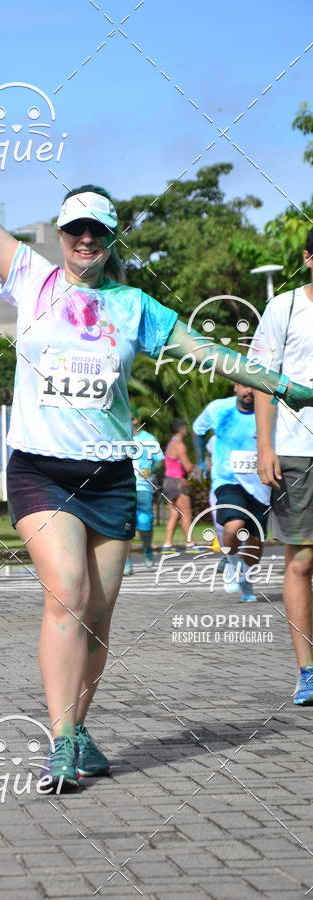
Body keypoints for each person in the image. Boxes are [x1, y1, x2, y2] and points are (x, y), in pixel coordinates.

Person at [0, 101, 313, 789]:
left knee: (98, 619)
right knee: (68, 593)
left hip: (111, 476)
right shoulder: (31, 277)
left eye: (96, 231)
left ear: (111, 239)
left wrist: (282, 384)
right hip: (40, 472)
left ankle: (79, 724)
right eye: (75, 229)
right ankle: (58, 742)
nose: (85, 240)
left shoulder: (135, 308)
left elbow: (206, 351)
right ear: (61, 235)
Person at [249, 229, 313, 704]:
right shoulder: (285, 308)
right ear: (309, 258)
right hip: (295, 449)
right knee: (303, 559)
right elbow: (263, 382)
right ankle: (307, 670)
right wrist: (265, 446)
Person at [192, 385, 270, 602]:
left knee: (255, 538)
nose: (249, 391)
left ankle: (247, 580)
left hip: (260, 483)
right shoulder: (218, 409)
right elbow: (198, 430)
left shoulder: (270, 411)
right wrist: (200, 461)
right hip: (227, 480)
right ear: (236, 386)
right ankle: (232, 563)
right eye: (245, 385)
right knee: (234, 525)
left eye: (255, 388)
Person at [124, 407, 164, 575]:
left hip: (143, 487)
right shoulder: (117, 438)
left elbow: (160, 461)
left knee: (145, 524)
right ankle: (127, 563)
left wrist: (152, 470)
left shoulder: (149, 439)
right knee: (125, 526)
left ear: (134, 420)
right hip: (124, 488)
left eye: (128, 418)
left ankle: (147, 548)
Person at [160, 419, 203, 554]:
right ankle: (190, 543)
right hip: (178, 482)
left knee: (174, 514)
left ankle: (167, 544)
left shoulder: (170, 444)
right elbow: (187, 466)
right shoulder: (180, 445)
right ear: (182, 429)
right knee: (186, 513)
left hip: (167, 481)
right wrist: (201, 466)